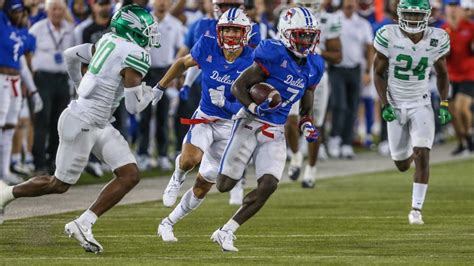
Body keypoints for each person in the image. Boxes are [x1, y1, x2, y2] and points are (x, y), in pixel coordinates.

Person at [0, 4, 163, 253]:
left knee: (129, 174)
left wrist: (79, 84)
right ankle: (7, 194)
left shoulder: (109, 39)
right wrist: (153, 93)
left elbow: (70, 55)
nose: (150, 34)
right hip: (82, 122)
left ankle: (83, 223)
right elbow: (134, 108)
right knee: (59, 184)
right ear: (133, 28)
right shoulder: (135, 54)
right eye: (147, 29)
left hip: (97, 121)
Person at [210, 7, 324, 252]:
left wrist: (307, 124)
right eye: (301, 35)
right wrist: (254, 106)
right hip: (250, 121)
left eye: (309, 36)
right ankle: (210, 161)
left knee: (269, 184)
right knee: (223, 185)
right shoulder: (272, 54)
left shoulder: (314, 65)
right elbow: (238, 87)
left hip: (275, 129)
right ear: (285, 33)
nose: (306, 41)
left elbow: (306, 105)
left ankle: (226, 231)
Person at [155, 8, 254, 242]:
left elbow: (252, 103)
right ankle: (177, 176)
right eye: (226, 29)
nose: (230, 34)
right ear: (219, 32)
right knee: (190, 160)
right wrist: (160, 87)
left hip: (231, 125)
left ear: (245, 33)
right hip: (206, 118)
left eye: (235, 30)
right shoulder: (207, 46)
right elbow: (182, 63)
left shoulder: (254, 60)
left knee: (203, 185)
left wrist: (230, 106)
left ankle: (167, 223)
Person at [373, 0, 451, 225]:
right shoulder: (389, 35)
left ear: (427, 16)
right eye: (409, 14)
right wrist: (385, 104)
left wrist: (444, 104)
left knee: (423, 153)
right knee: (402, 164)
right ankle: (408, 149)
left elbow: (443, 73)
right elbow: (378, 73)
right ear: (399, 14)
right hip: (396, 104)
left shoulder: (437, 38)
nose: (414, 20)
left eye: (418, 16)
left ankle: (416, 209)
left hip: (421, 102)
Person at [285, 0, 342, 187]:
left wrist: (317, 51)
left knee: (315, 123)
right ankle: (295, 156)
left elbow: (337, 55)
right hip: (292, 72)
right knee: (290, 120)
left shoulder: (328, 19)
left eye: (311, 3)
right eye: (304, 3)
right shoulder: (287, 17)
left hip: (316, 75)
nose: (308, 7)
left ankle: (311, 169)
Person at [0, 0, 42, 185]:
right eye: (15, 11)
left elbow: (23, 65)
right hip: (1, 79)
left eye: (21, 12)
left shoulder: (22, 32)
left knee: (10, 127)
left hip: (15, 83)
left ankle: (5, 171)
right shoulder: (2, 25)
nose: (19, 15)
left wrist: (33, 91)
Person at [441, 0, 474, 155]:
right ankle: (463, 141)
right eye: (450, 7)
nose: (453, 10)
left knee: (463, 108)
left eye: (456, 7)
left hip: (469, 74)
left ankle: (469, 136)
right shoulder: (443, 30)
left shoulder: (470, 27)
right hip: (451, 75)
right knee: (453, 112)